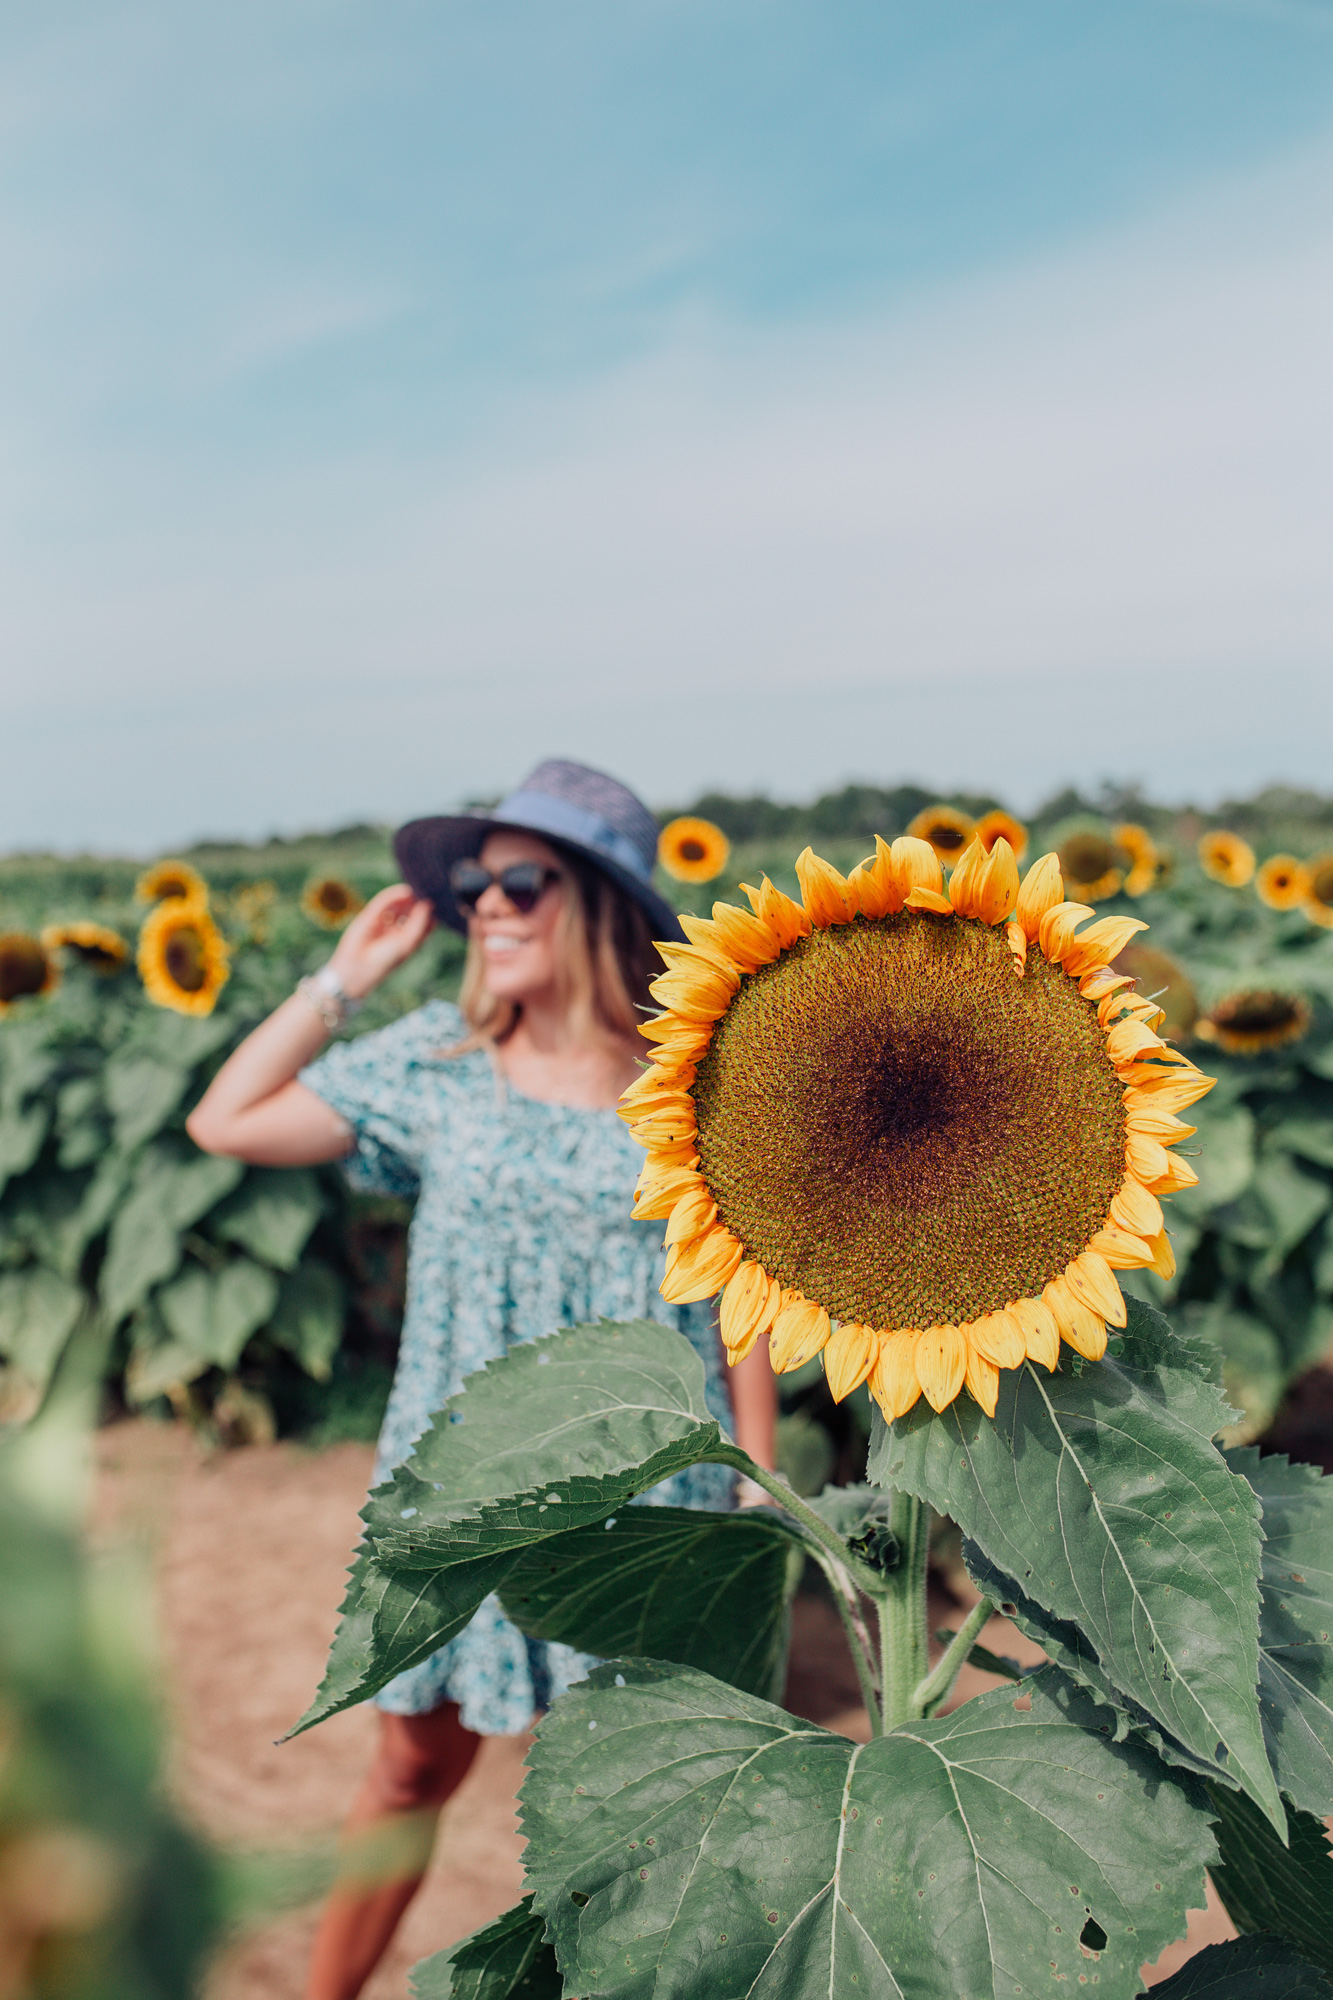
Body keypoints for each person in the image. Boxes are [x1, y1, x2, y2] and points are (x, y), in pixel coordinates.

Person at [186, 759, 777, 2000]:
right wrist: (342, 979)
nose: (488, 906)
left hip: (644, 1485)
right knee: (407, 1769)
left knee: (636, 1810)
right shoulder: (438, 1061)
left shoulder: (690, 1080)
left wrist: (760, 1473)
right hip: (462, 1484)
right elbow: (225, 1119)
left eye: (522, 879)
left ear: (604, 905)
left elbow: (738, 1286)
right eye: (476, 884)